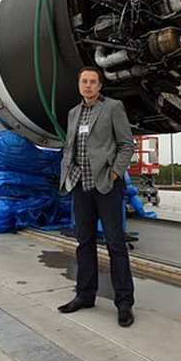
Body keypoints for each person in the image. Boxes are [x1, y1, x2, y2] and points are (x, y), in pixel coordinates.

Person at [57, 66, 136, 327]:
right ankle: (85, 295)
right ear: (79, 85)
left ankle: (124, 303)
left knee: (115, 243)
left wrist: (115, 173)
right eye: (84, 81)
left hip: (106, 185)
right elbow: (70, 147)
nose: (88, 85)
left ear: (100, 86)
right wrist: (67, 172)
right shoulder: (73, 113)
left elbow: (127, 144)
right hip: (81, 186)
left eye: (93, 81)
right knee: (84, 242)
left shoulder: (113, 108)